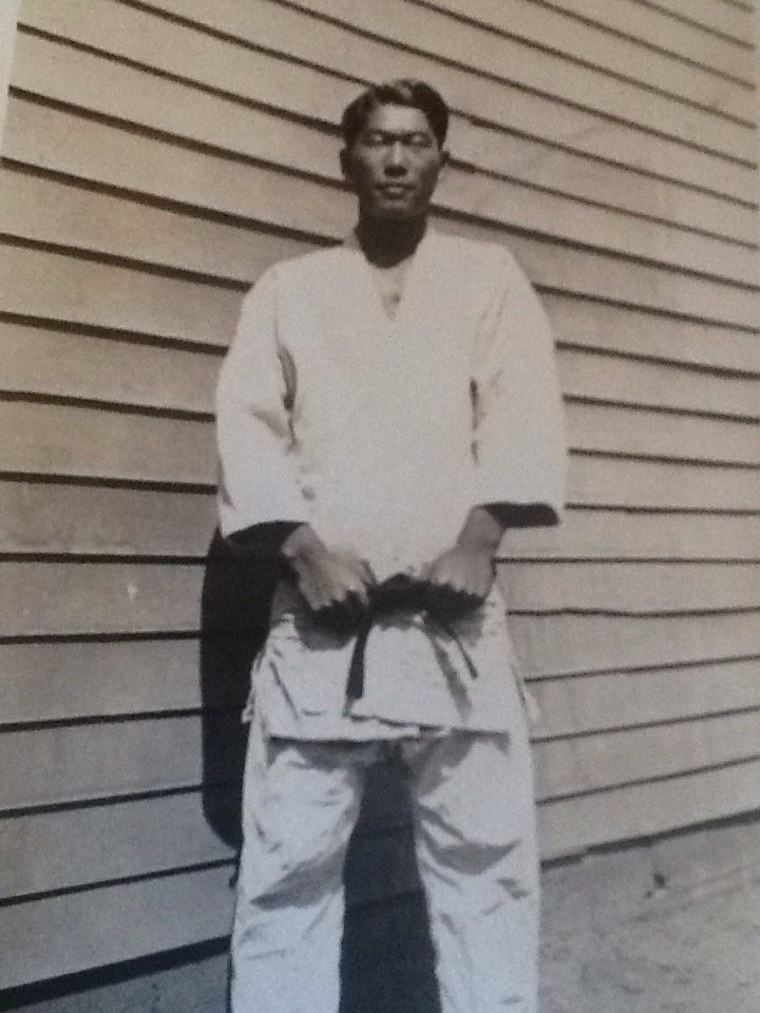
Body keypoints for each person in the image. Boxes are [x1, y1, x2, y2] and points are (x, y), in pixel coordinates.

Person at [216, 77, 566, 1013]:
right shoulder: (289, 291)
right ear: (348, 160)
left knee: (484, 863)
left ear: (442, 159)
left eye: (415, 141)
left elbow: (522, 414)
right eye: (378, 141)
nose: (397, 159)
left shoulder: (488, 279)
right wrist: (302, 549)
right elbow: (248, 430)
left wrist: (480, 538)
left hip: (450, 623)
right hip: (324, 626)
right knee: (288, 867)